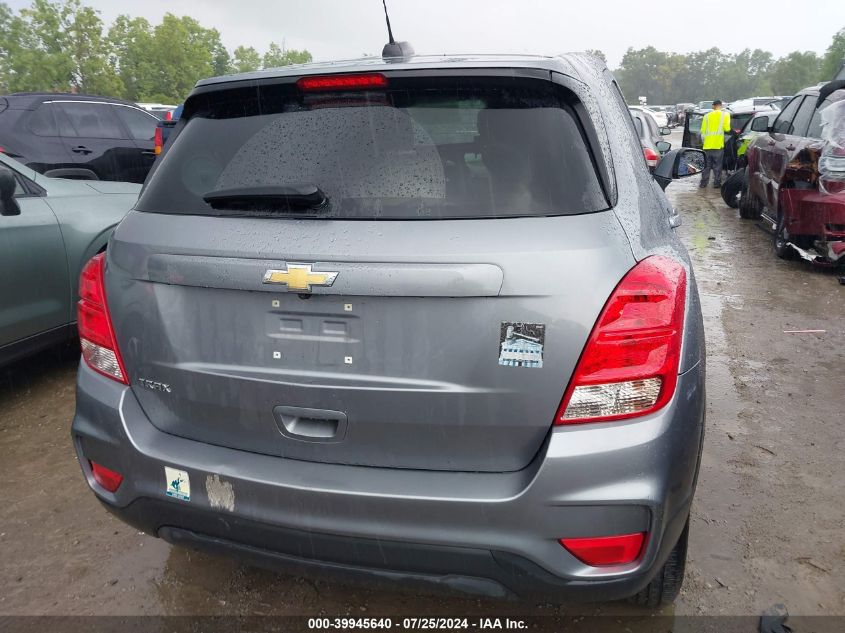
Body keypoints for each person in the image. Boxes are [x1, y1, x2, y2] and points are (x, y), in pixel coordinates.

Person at [699, 99, 731, 188]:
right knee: (717, 166)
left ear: (713, 106)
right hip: (718, 145)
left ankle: (703, 183)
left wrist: (703, 142)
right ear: (721, 105)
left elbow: (702, 131)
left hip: (707, 146)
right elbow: (727, 129)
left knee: (706, 166)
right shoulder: (725, 115)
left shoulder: (706, 116)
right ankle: (717, 183)